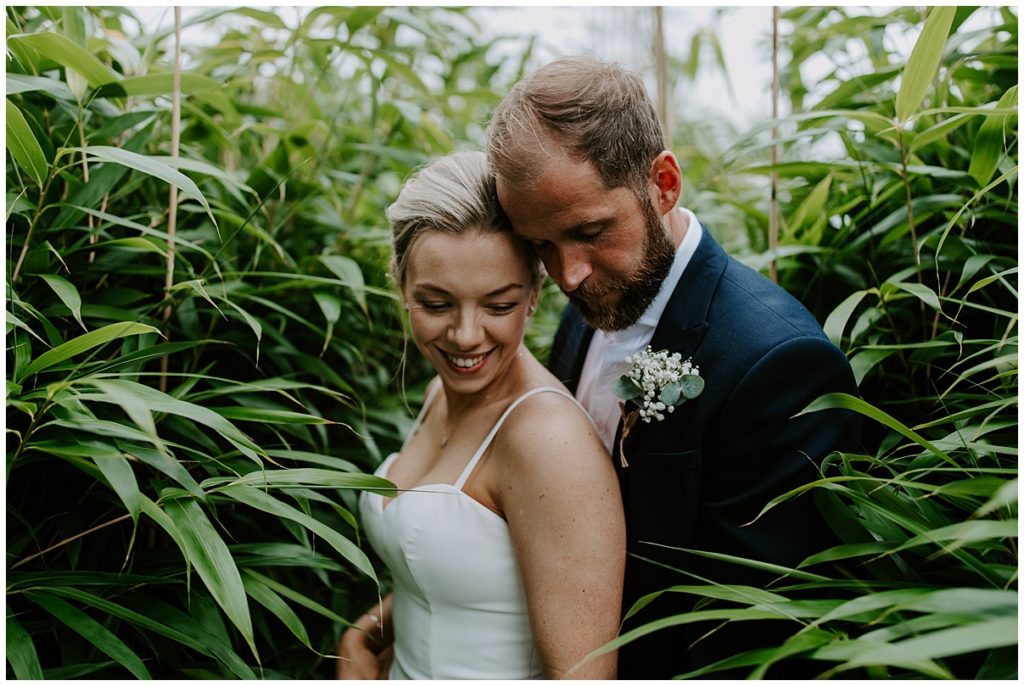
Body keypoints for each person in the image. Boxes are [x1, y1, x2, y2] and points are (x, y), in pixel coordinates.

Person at [486, 56, 861, 679]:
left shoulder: (778, 363)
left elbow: (756, 638)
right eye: (540, 245)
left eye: (588, 231)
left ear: (663, 183)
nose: (566, 274)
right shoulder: (591, 303)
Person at [337, 151, 625, 680]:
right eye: (437, 303)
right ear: (401, 286)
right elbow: (451, 582)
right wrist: (362, 638)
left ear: (535, 295)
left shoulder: (546, 440)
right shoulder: (440, 392)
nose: (466, 336)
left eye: (498, 306)